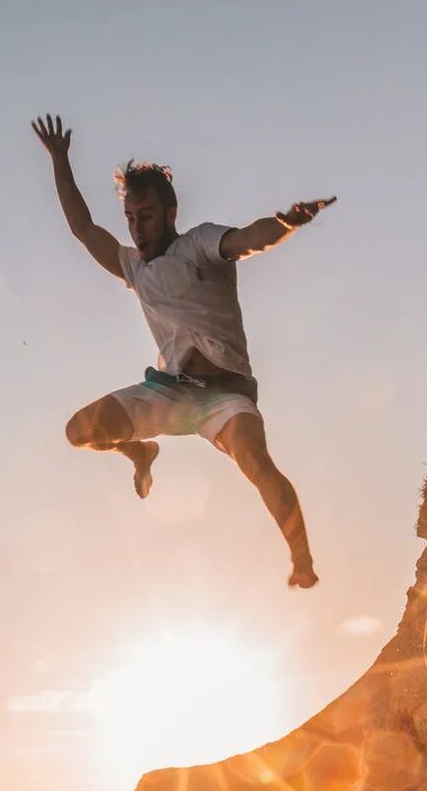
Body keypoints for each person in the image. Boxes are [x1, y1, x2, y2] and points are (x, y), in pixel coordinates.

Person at [31, 113, 332, 589]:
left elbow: (249, 239)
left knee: (256, 463)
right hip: (169, 393)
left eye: (145, 216)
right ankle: (140, 452)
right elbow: (84, 228)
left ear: (170, 212)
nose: (136, 228)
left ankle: (302, 559)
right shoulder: (132, 266)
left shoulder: (200, 244)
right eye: (130, 218)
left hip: (225, 395)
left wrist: (285, 222)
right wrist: (60, 159)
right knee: (78, 431)